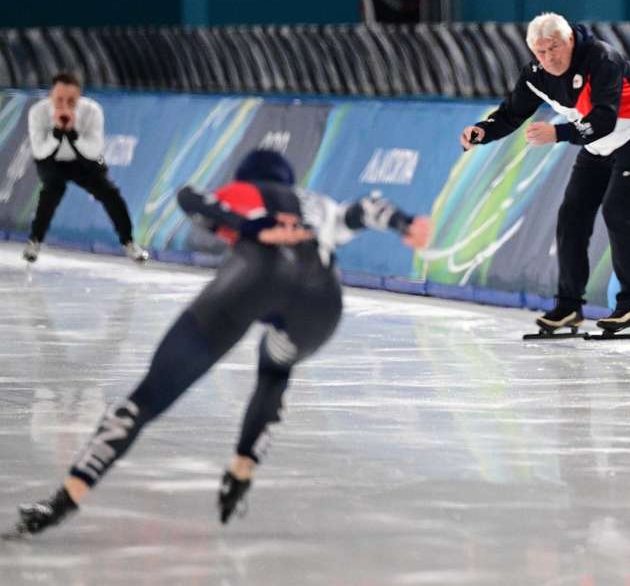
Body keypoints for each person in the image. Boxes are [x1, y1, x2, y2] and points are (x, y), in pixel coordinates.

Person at [7, 149, 431, 536]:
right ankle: (242, 469)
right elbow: (369, 209)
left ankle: (65, 500)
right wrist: (406, 224)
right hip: (321, 304)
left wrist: (250, 227)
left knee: (147, 397)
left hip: (254, 279)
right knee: (275, 367)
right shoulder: (319, 203)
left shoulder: (244, 189)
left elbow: (190, 198)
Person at [459, 12, 630, 334]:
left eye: (554, 48)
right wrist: (483, 130)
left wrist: (557, 134)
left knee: (619, 214)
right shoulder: (536, 74)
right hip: (598, 143)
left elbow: (603, 119)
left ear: (569, 39)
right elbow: (513, 112)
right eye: (540, 52)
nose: (548, 58)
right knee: (572, 217)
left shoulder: (602, 58)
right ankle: (569, 306)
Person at [24, 72, 148, 263]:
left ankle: (129, 242)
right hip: (51, 158)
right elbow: (40, 151)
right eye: (59, 100)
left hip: (86, 158)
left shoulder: (92, 111)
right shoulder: (38, 112)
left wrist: (72, 132)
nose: (65, 105)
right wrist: (57, 132)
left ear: (79, 98)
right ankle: (34, 241)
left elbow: (93, 151)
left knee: (110, 193)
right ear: (51, 96)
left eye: (71, 101)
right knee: (51, 190)